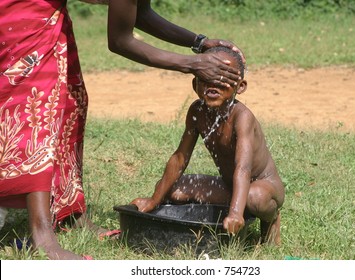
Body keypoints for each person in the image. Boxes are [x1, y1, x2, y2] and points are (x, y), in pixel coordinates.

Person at [0, 1, 242, 259]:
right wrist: (193, 63)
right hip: (22, 12)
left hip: (50, 14)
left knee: (71, 101)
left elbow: (140, 12)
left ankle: (68, 213)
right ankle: (42, 235)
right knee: (37, 109)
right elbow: (119, 40)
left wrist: (198, 41)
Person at [131, 46, 285, 245]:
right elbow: (180, 158)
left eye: (223, 80)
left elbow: (243, 167)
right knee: (175, 189)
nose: (213, 86)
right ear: (195, 84)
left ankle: (271, 219)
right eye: (206, 79)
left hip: (263, 186)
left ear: (240, 86)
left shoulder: (242, 117)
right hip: (232, 186)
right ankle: (236, 206)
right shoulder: (197, 111)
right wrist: (154, 200)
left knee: (254, 198)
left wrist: (236, 212)